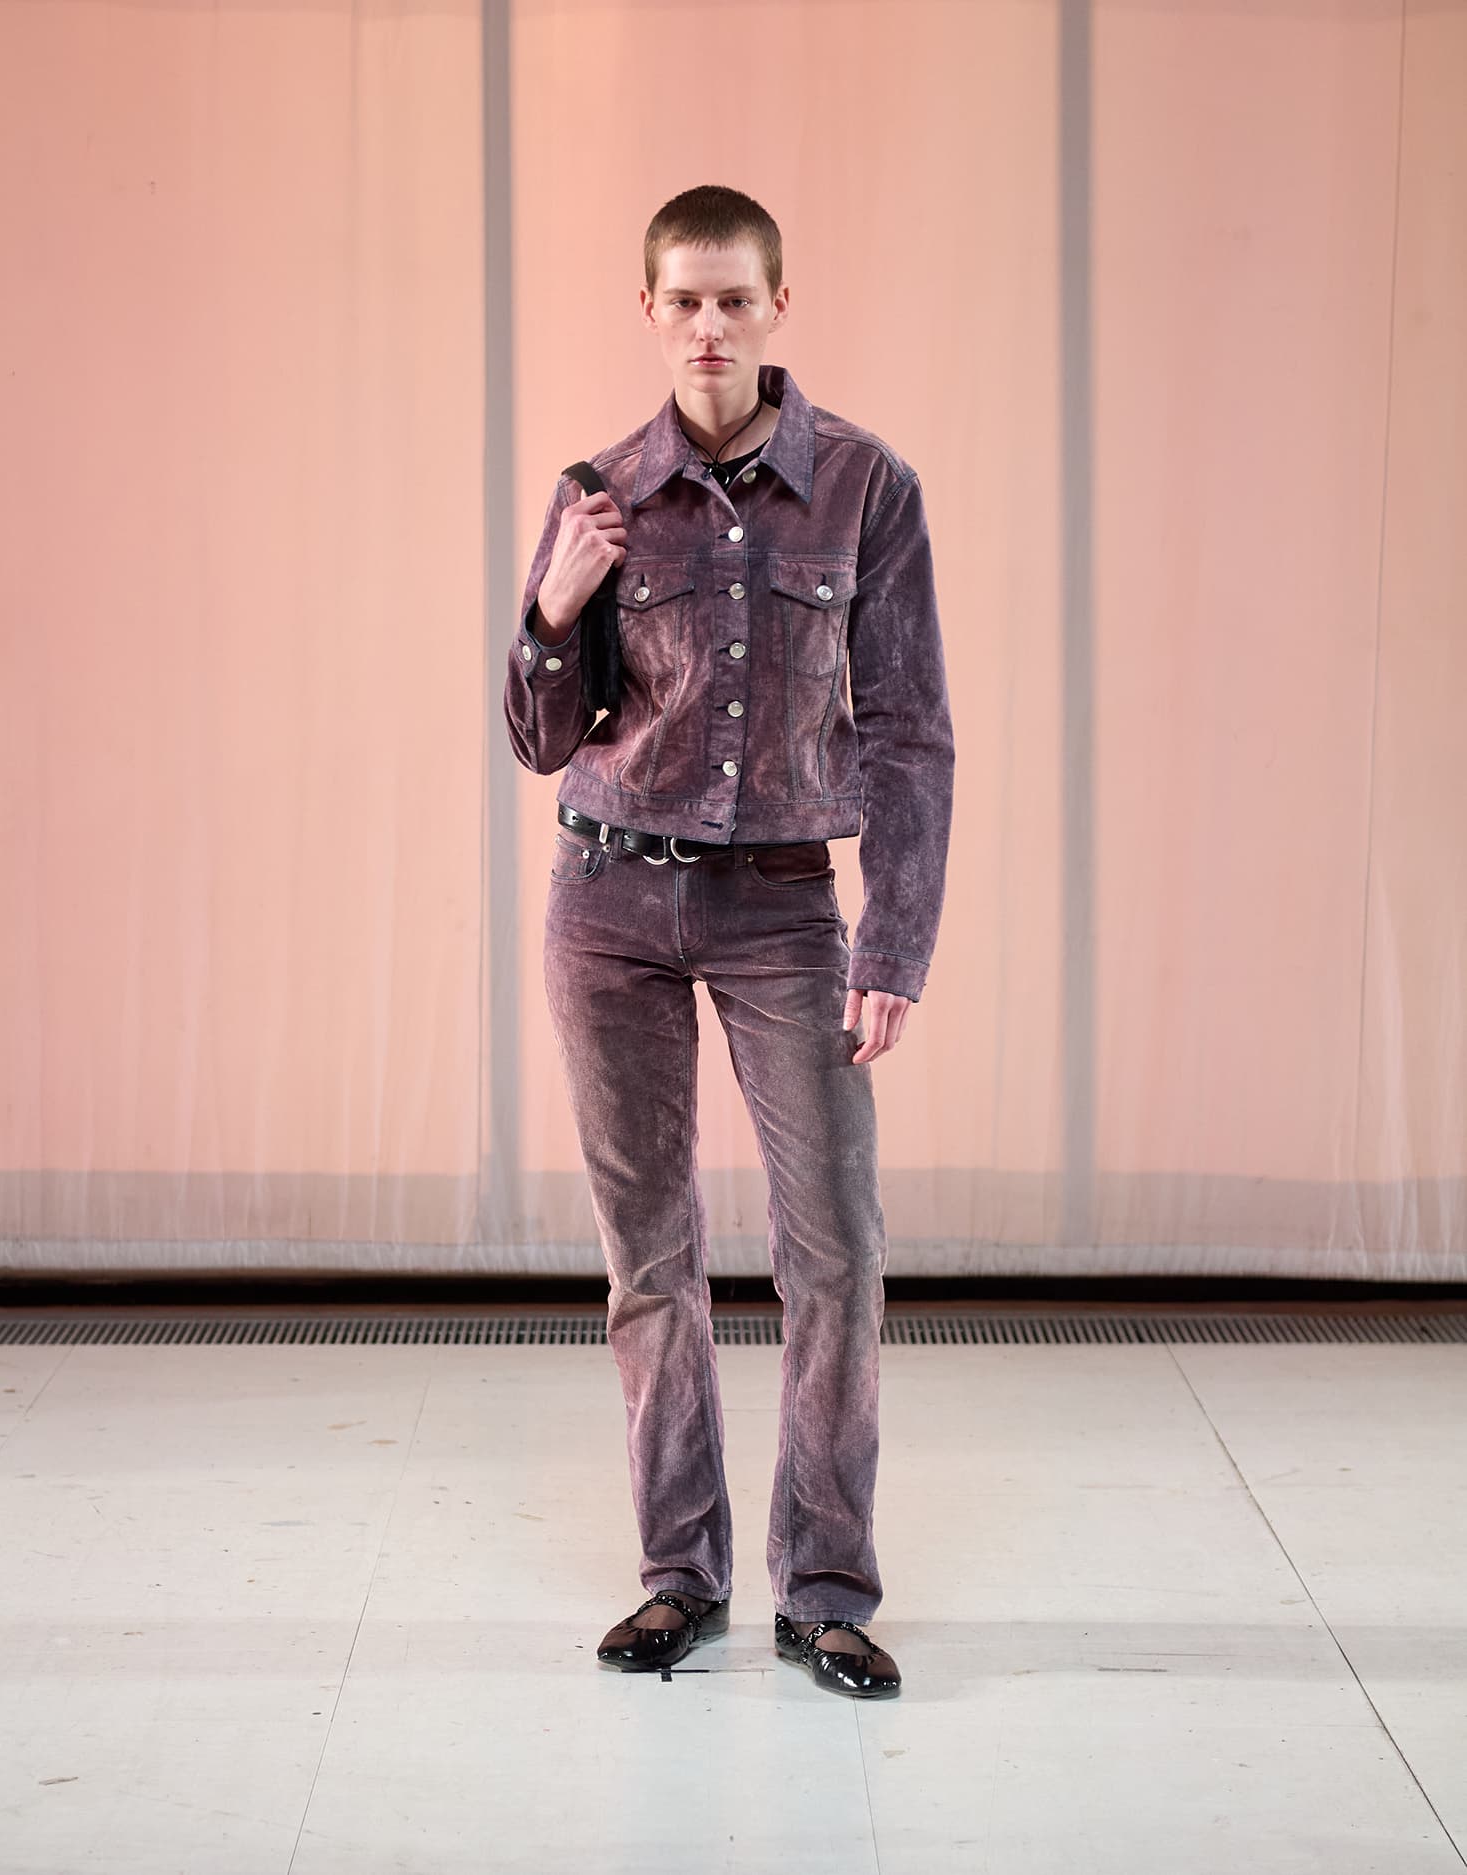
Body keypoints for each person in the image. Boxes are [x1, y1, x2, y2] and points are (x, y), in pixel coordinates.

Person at [503, 184, 953, 1700]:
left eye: (734, 300)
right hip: (608, 903)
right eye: (683, 301)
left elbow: (908, 731)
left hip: (781, 907)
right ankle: (677, 1577)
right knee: (650, 1256)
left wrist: (894, 940)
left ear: (777, 307)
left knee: (836, 1252)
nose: (708, 326)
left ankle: (822, 1591)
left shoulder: (867, 489)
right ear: (649, 311)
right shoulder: (598, 493)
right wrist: (554, 611)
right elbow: (542, 738)